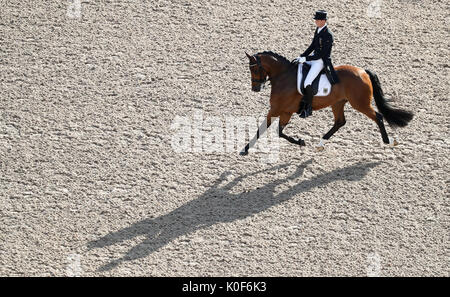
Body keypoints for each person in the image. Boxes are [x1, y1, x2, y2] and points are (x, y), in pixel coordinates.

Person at [295, 10, 340, 118]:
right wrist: (302, 56)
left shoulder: (328, 35)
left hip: (321, 61)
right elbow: (312, 46)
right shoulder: (318, 29)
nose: (316, 22)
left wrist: (306, 58)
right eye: (316, 20)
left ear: (323, 21)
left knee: (307, 82)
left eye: (318, 20)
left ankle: (308, 108)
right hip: (314, 58)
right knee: (298, 67)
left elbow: (321, 54)